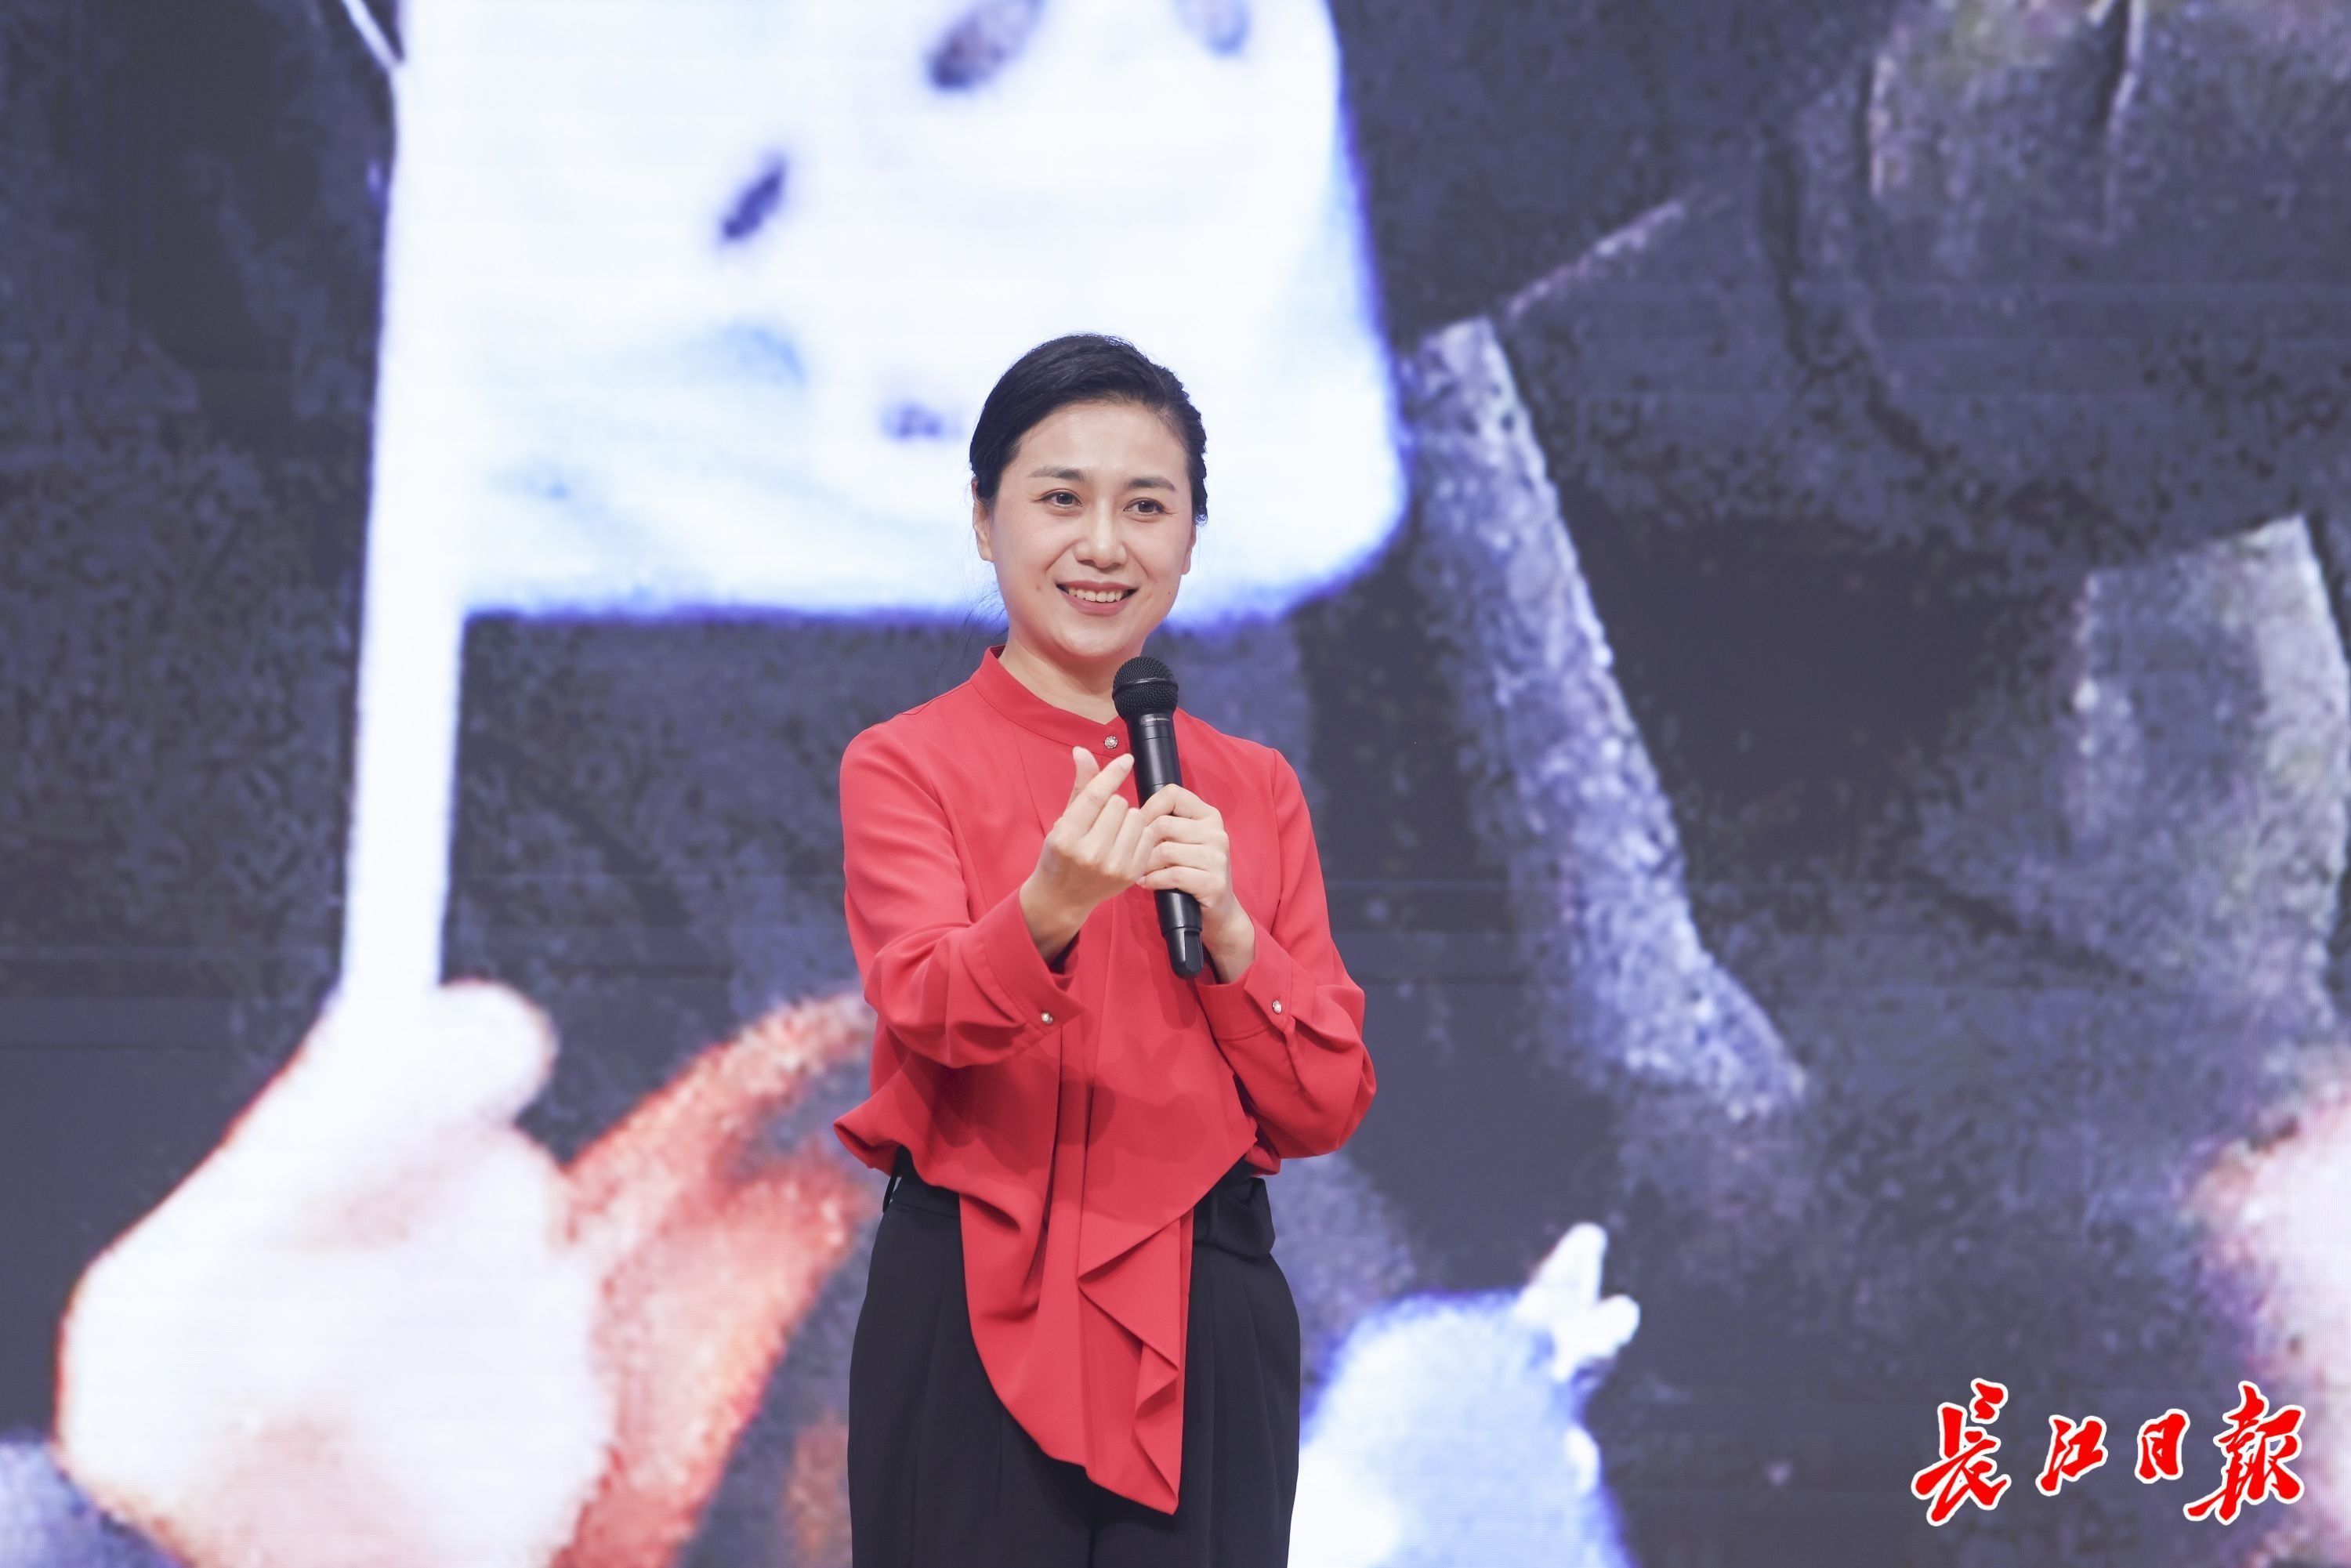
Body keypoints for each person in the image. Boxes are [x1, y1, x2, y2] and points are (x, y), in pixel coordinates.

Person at [831, 333, 1378, 1567]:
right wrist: (1048, 910)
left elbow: (1326, 1096)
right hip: (972, 1289)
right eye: (1060, 499)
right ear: (985, 520)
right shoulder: (905, 761)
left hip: (1205, 1304)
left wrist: (1231, 934)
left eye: (1146, 506)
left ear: (1190, 538)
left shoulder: (1253, 787)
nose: (1103, 544)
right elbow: (925, 1003)